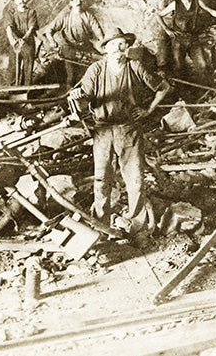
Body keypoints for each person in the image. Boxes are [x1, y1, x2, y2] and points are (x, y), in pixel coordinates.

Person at [68, 29, 170, 232]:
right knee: (101, 180)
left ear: (127, 47)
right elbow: (85, 96)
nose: (118, 48)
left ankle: (137, 225)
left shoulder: (135, 66)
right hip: (103, 131)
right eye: (113, 44)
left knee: (135, 180)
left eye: (122, 43)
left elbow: (163, 87)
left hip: (129, 130)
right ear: (105, 49)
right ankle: (100, 225)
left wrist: (148, 110)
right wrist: (76, 97)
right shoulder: (96, 69)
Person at [156, 0, 216, 77]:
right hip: (178, 39)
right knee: (179, 66)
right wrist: (166, 29)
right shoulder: (175, 4)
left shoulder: (197, 2)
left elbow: (211, 11)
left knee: (202, 65)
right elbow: (158, 15)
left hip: (193, 39)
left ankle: (206, 87)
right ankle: (182, 89)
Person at [44, 0, 105, 86]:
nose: (78, 3)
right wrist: (52, 41)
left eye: (81, 0)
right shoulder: (66, 16)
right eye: (76, 0)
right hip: (69, 47)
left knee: (98, 64)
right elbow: (49, 30)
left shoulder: (88, 16)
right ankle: (69, 94)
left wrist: (103, 43)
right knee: (71, 75)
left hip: (84, 46)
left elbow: (98, 31)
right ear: (71, 3)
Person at [5, 0, 38, 86]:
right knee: (13, 68)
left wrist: (24, 39)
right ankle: (12, 91)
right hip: (14, 44)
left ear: (27, 1)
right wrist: (13, 40)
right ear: (15, 1)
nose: (22, 1)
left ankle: (26, 90)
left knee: (28, 68)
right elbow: (9, 27)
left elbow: (31, 28)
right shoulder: (11, 13)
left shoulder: (32, 12)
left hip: (28, 44)